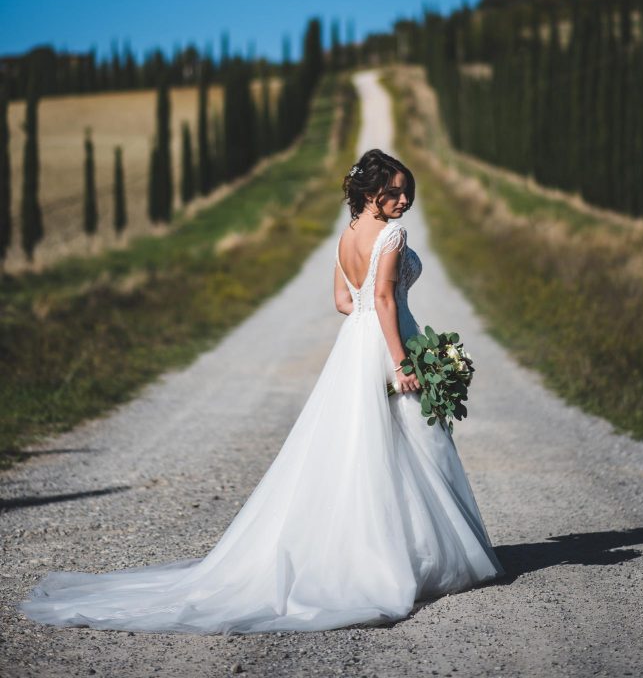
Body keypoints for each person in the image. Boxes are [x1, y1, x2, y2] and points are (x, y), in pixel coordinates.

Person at [19, 148, 503, 633]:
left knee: (359, 447)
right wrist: (401, 360)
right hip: (387, 343)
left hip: (355, 345)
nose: (402, 200)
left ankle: (373, 549)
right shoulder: (392, 235)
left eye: (406, 192)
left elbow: (343, 300)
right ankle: (414, 555)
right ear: (368, 193)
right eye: (392, 191)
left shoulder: (346, 237)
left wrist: (369, 329)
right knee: (409, 442)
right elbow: (380, 298)